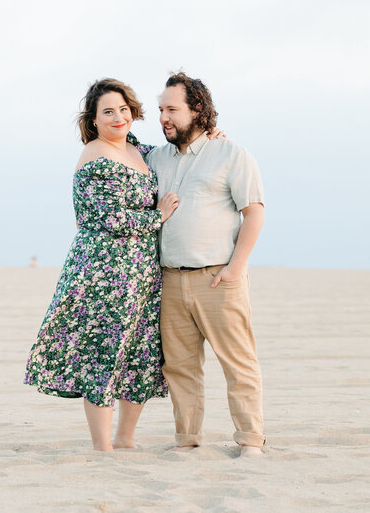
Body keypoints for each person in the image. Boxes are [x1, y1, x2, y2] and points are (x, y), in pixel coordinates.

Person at [24, 78, 180, 452]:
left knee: (140, 350)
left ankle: (125, 438)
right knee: (103, 352)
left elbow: (174, 154)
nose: (118, 116)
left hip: (141, 272)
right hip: (102, 271)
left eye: (123, 109)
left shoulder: (137, 149)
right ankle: (102, 446)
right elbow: (106, 217)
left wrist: (209, 135)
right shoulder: (96, 155)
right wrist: (156, 217)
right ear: (93, 120)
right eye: (108, 111)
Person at [146, 72, 266, 457]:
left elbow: (254, 213)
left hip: (218, 277)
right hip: (169, 279)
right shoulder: (153, 158)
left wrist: (235, 267)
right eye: (160, 109)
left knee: (238, 363)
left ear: (197, 109)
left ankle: (250, 441)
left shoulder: (232, 154)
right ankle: (188, 440)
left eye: (172, 109)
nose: (164, 117)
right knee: (180, 368)